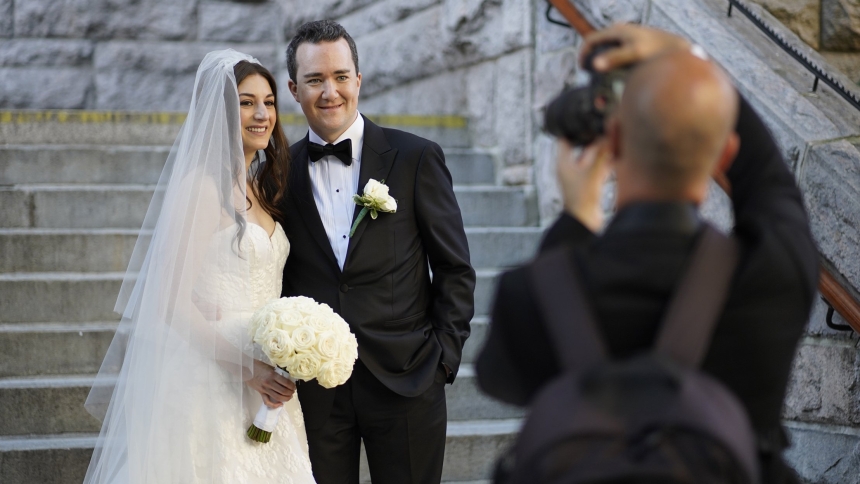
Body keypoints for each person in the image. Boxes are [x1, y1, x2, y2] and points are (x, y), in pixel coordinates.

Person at [476, 25, 818, 484]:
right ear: (724, 154)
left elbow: (515, 377)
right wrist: (687, 52)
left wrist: (575, 219)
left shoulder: (527, 293)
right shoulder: (771, 276)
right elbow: (771, 183)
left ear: (615, 143)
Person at [83, 50, 317, 483]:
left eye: (268, 102)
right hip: (212, 375)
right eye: (246, 102)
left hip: (264, 376)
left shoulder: (262, 190)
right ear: (220, 111)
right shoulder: (201, 190)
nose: (262, 113)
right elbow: (170, 301)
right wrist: (250, 371)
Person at [279, 20, 476, 484]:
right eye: (315, 79)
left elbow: (455, 268)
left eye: (341, 76)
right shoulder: (277, 173)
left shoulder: (415, 158)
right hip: (315, 391)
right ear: (293, 88)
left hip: (407, 380)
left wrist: (443, 359)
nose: (330, 91)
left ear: (358, 80)